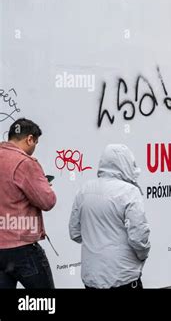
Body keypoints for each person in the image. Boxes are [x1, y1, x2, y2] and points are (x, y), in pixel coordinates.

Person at [69, 144, 151, 289]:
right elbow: (139, 237)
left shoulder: (84, 190)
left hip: (91, 278)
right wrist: (143, 255)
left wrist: (95, 240)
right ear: (127, 164)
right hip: (123, 277)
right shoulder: (130, 191)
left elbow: (74, 232)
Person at [0, 118, 57, 288]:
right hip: (22, 248)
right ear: (29, 139)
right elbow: (47, 201)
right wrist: (44, 185)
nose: (34, 148)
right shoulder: (25, 162)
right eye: (36, 143)